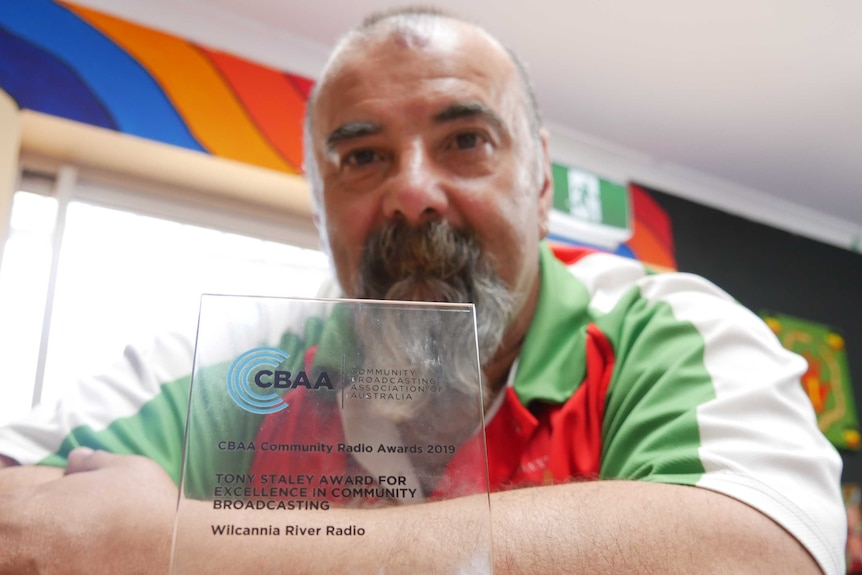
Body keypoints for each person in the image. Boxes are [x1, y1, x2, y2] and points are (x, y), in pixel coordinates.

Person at [0, 6, 846, 574]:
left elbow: (754, 550)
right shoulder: (241, 360)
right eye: (361, 155)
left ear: (543, 178)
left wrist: (186, 541)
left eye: (466, 140)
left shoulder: (669, 330)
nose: (412, 192)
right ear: (319, 196)